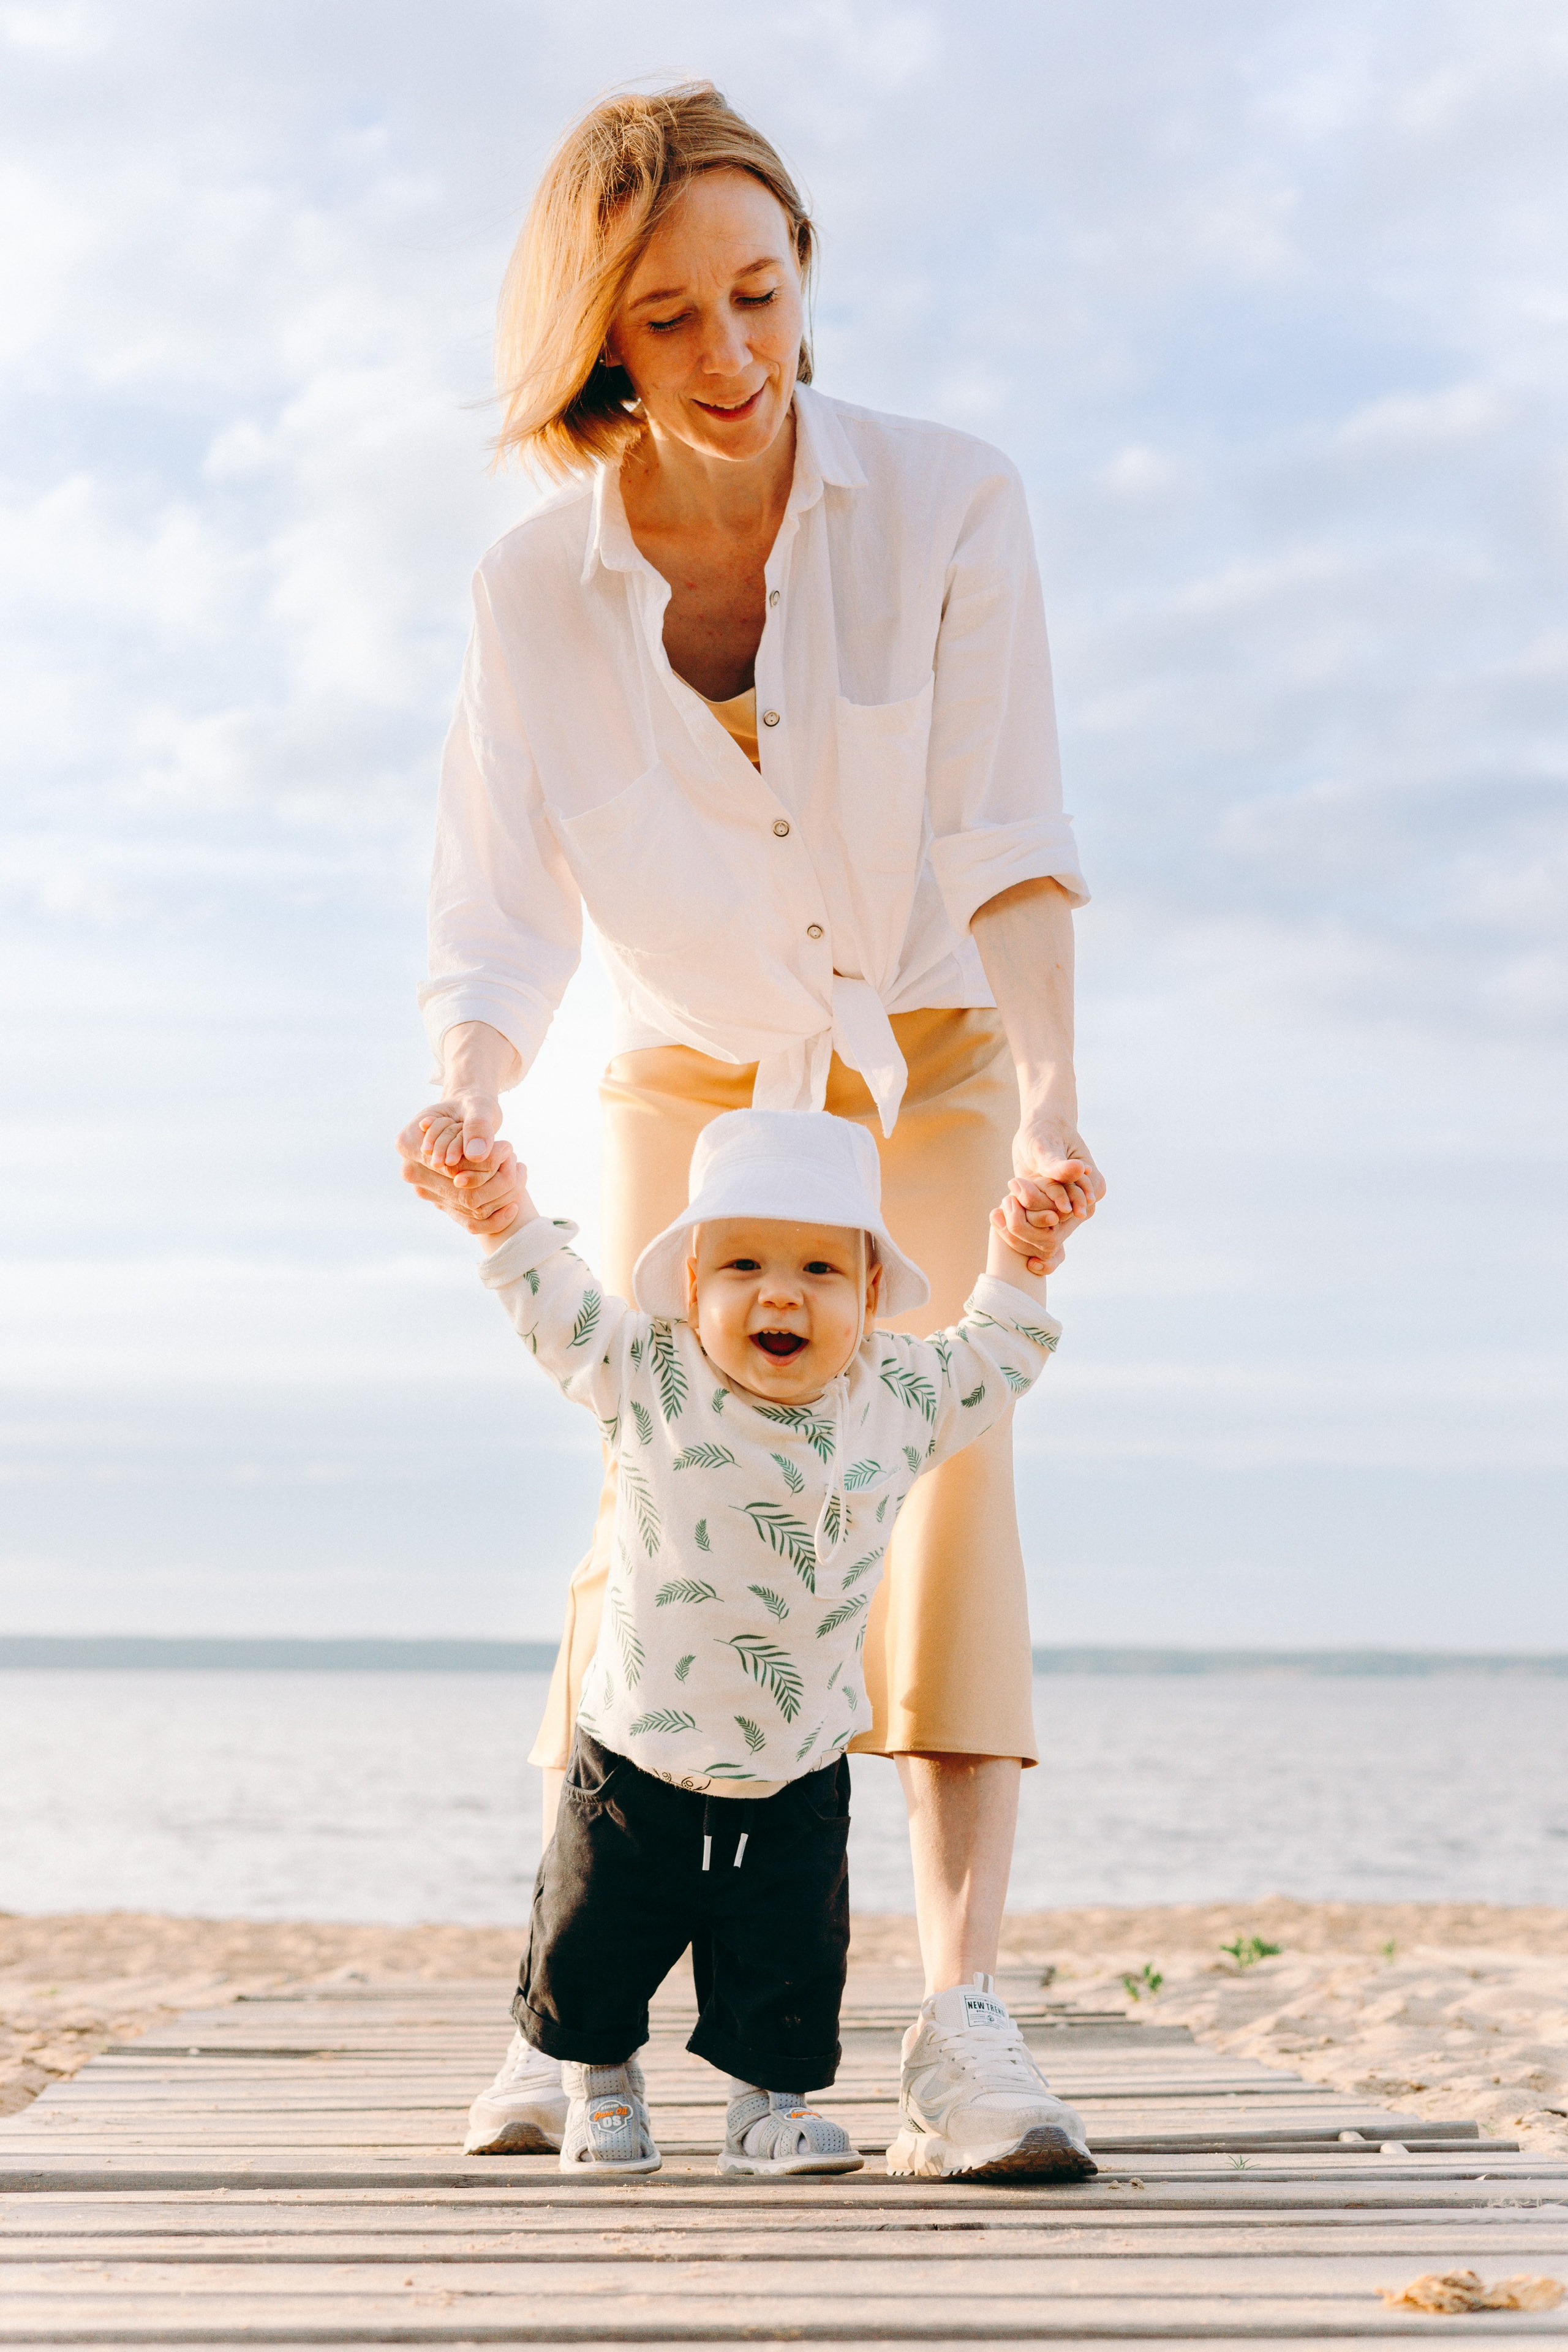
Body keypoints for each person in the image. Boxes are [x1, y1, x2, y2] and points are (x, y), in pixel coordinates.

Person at [399, 80, 1106, 2174]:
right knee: (652, 1489)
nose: (729, 358)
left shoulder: (953, 499)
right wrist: (464, 1084)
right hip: (685, 1067)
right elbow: (496, 897)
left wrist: (1058, 1090)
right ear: (599, 336)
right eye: (671, 318)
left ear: (806, 275)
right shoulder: (538, 589)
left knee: (944, 1491)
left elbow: (1008, 829)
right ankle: (572, 2005)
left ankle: (962, 2020)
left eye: (762, 296)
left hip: (928, 1054)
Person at [463, 1104, 1093, 2180]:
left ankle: (769, 2107)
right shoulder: (647, 1372)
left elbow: (998, 1354)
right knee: (594, 1941)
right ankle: (600, 2087)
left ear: (874, 1294)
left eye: (820, 1269)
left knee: (790, 1960)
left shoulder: (897, 1397)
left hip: (799, 1763)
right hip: (635, 1755)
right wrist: (500, 1214)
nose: (782, 1292)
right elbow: (553, 1305)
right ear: (694, 1280)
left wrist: (1021, 1256)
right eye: (744, 1264)